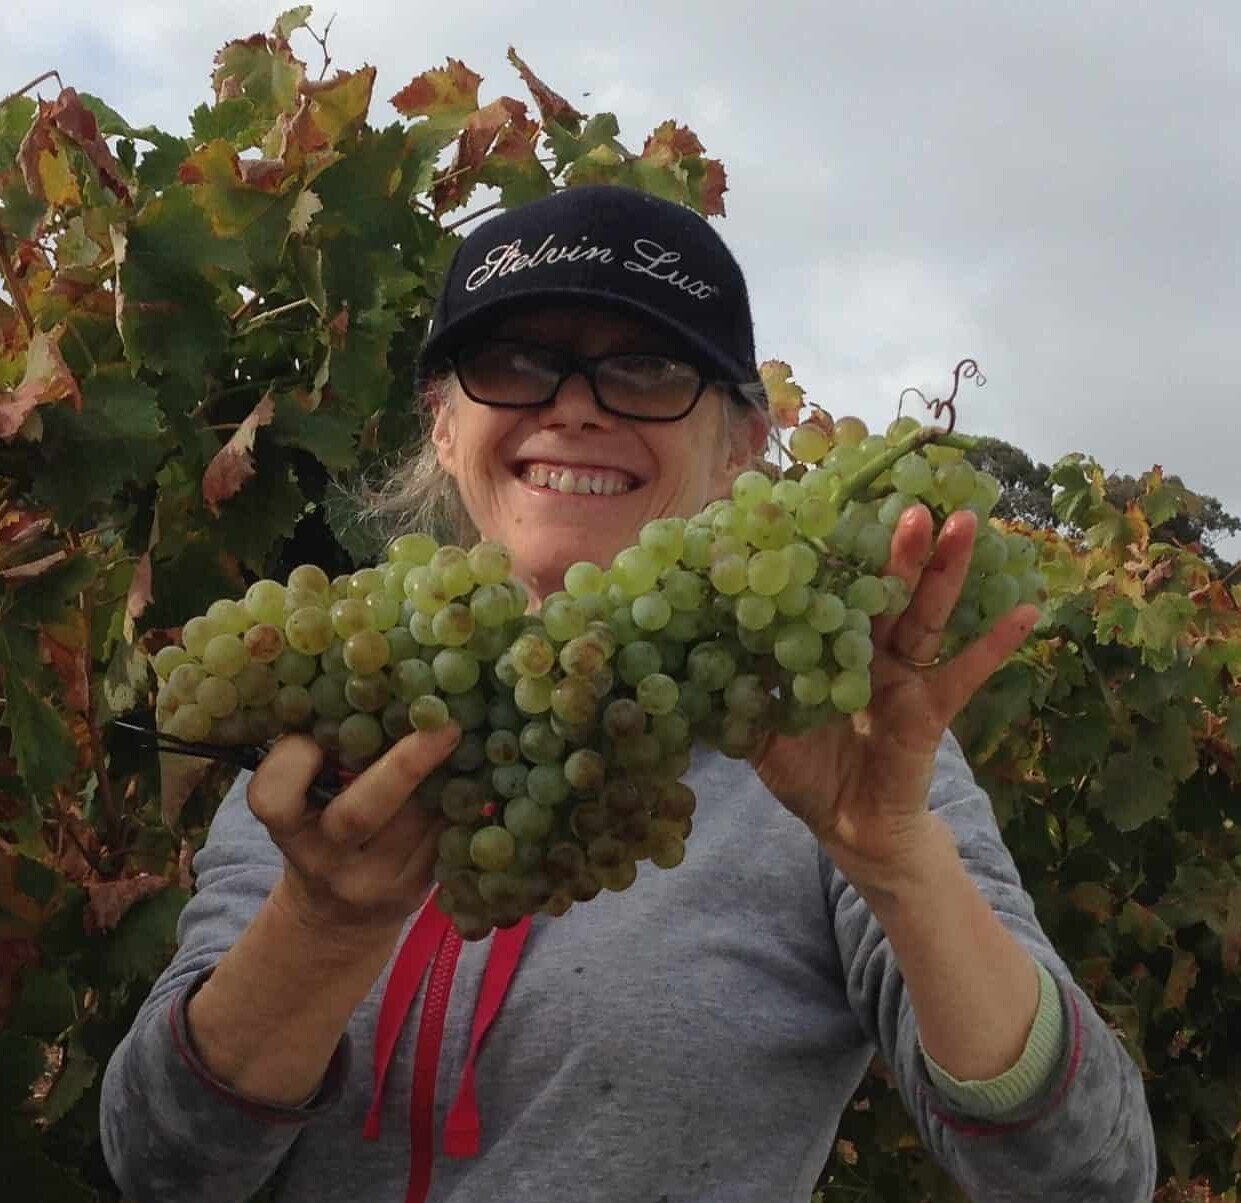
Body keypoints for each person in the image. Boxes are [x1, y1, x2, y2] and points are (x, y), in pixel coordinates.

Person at [101, 183, 1157, 1203]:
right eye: (513, 363)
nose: (573, 407)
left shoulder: (834, 743)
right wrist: (318, 930)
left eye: (646, 369)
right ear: (443, 425)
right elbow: (161, 1168)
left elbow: (1087, 1179)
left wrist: (900, 863)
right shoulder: (345, 710)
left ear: (741, 445)